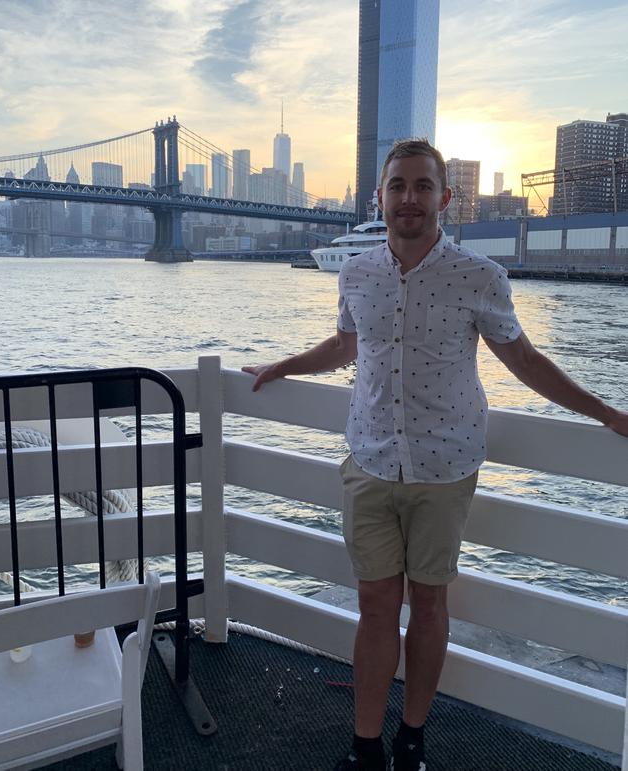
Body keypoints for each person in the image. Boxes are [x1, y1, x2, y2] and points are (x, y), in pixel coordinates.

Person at [242, 139, 628, 771]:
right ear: (381, 197)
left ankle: (412, 739)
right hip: (368, 459)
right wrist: (284, 365)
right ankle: (366, 746)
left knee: (428, 604)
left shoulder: (480, 277)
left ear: (445, 198)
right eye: (398, 186)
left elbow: (525, 362)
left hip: (444, 469)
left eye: (423, 186)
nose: (409, 199)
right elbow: (346, 345)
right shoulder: (356, 272)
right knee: (373, 605)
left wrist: (607, 413)